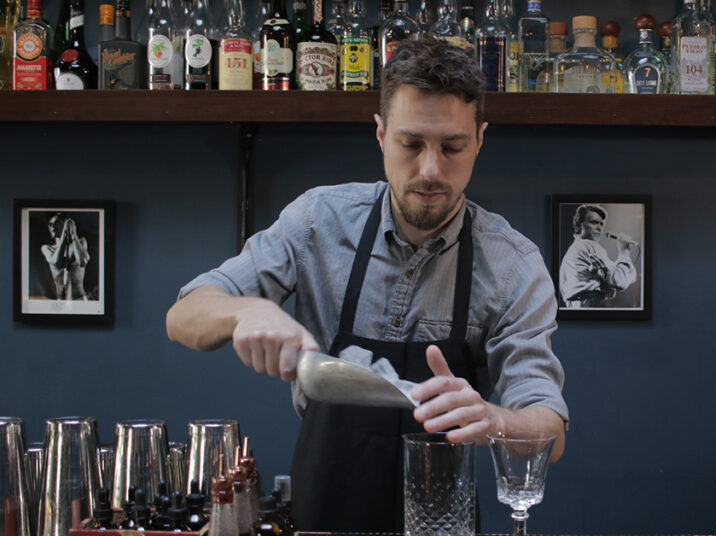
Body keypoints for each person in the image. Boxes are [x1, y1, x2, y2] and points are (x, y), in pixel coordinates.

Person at [165, 38, 567, 532]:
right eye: (411, 144)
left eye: (453, 147)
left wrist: (491, 419)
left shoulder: (513, 265)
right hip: (322, 515)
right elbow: (183, 316)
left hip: (441, 523)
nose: (431, 169)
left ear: (480, 140)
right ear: (380, 135)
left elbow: (549, 429)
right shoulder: (318, 221)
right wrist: (243, 311)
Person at [558, 204, 639, 308]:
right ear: (579, 225)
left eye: (601, 224)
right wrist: (624, 252)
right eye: (594, 222)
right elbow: (620, 281)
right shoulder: (588, 245)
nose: (599, 228)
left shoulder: (573, 250)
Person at [41, 213, 91, 300]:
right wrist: (64, 236)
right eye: (50, 224)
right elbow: (57, 263)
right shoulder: (47, 248)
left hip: (79, 298)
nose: (52, 227)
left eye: (57, 223)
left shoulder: (81, 242)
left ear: (65, 225)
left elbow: (82, 261)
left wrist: (73, 234)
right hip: (60, 301)